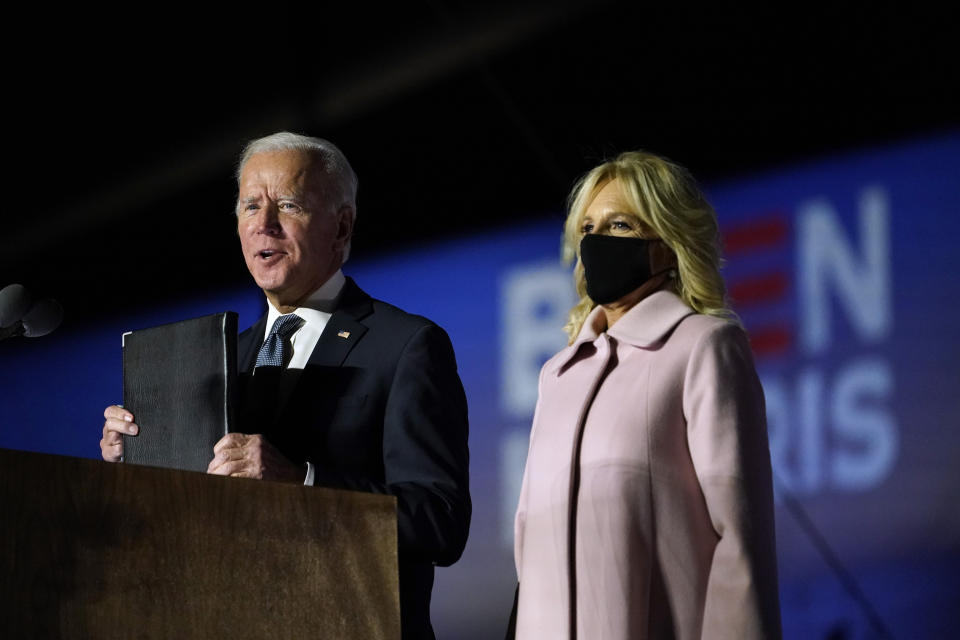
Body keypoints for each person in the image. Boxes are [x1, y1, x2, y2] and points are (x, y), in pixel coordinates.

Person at [100, 132, 471, 640]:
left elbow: (440, 523)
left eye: (288, 204)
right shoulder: (218, 358)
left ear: (342, 228)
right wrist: (138, 465)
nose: (263, 223)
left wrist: (304, 482)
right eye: (250, 205)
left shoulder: (406, 345)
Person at [512, 151, 781, 639]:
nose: (597, 242)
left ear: (668, 241)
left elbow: (739, 541)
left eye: (619, 226)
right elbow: (529, 543)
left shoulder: (703, 346)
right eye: (588, 228)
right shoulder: (557, 375)